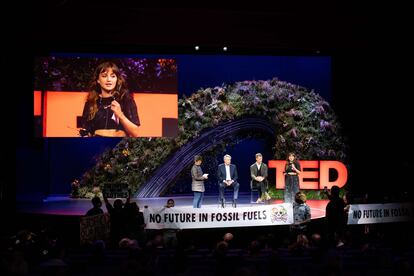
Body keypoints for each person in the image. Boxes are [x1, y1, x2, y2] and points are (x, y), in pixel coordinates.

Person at [81, 61, 140, 137]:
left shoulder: (126, 99)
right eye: (104, 76)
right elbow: (86, 131)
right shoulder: (91, 103)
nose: (109, 80)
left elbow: (135, 133)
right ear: (98, 80)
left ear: (117, 79)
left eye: (113, 76)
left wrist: (120, 115)